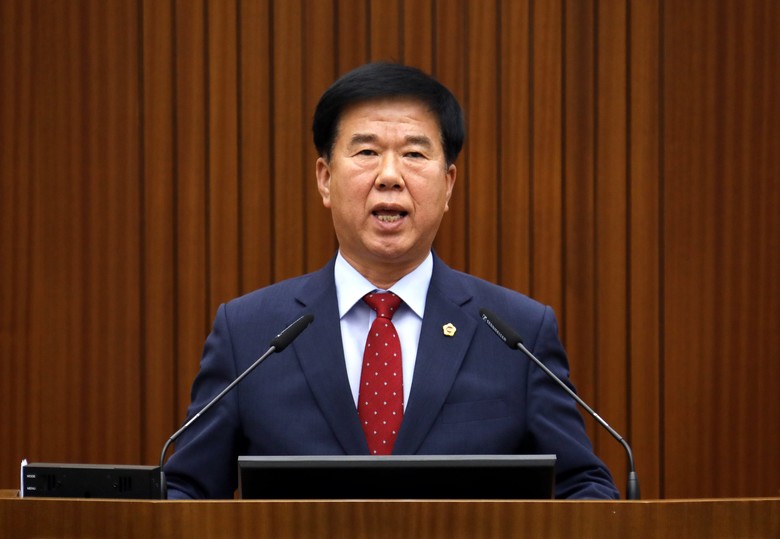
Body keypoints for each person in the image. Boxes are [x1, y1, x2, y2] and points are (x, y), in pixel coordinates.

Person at [163, 62, 619, 500]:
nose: (389, 176)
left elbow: (586, 488)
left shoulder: (516, 334)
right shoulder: (249, 334)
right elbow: (186, 492)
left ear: (448, 184)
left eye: (414, 154)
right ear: (324, 179)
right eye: (366, 152)